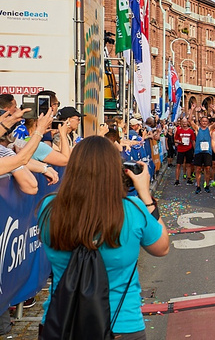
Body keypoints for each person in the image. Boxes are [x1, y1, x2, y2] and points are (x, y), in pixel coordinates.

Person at [37, 136, 169, 339]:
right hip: (121, 322)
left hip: (61, 321)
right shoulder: (133, 209)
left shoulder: (49, 207)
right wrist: (146, 196)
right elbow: (162, 248)